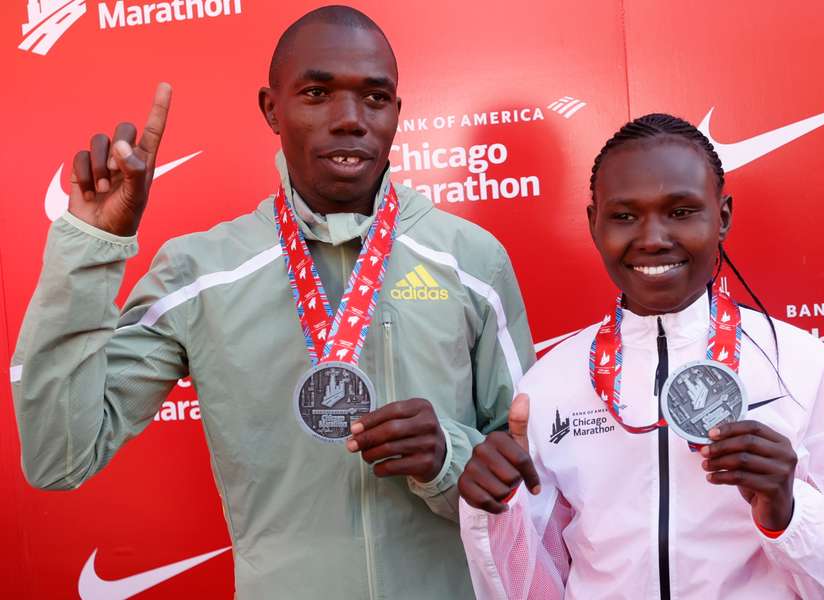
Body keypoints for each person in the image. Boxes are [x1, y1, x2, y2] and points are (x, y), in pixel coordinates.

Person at [11, 6, 534, 598]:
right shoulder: (200, 271)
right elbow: (60, 457)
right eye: (317, 93)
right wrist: (93, 248)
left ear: (395, 112)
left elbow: (533, 472)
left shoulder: (470, 258)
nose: (349, 120)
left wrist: (449, 456)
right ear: (271, 107)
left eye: (375, 98)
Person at [457, 114, 824, 599]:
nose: (652, 238)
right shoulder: (549, 383)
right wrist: (494, 512)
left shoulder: (799, 364)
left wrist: (789, 513)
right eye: (624, 216)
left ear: (722, 217)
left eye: (681, 211)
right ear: (593, 223)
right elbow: (535, 587)